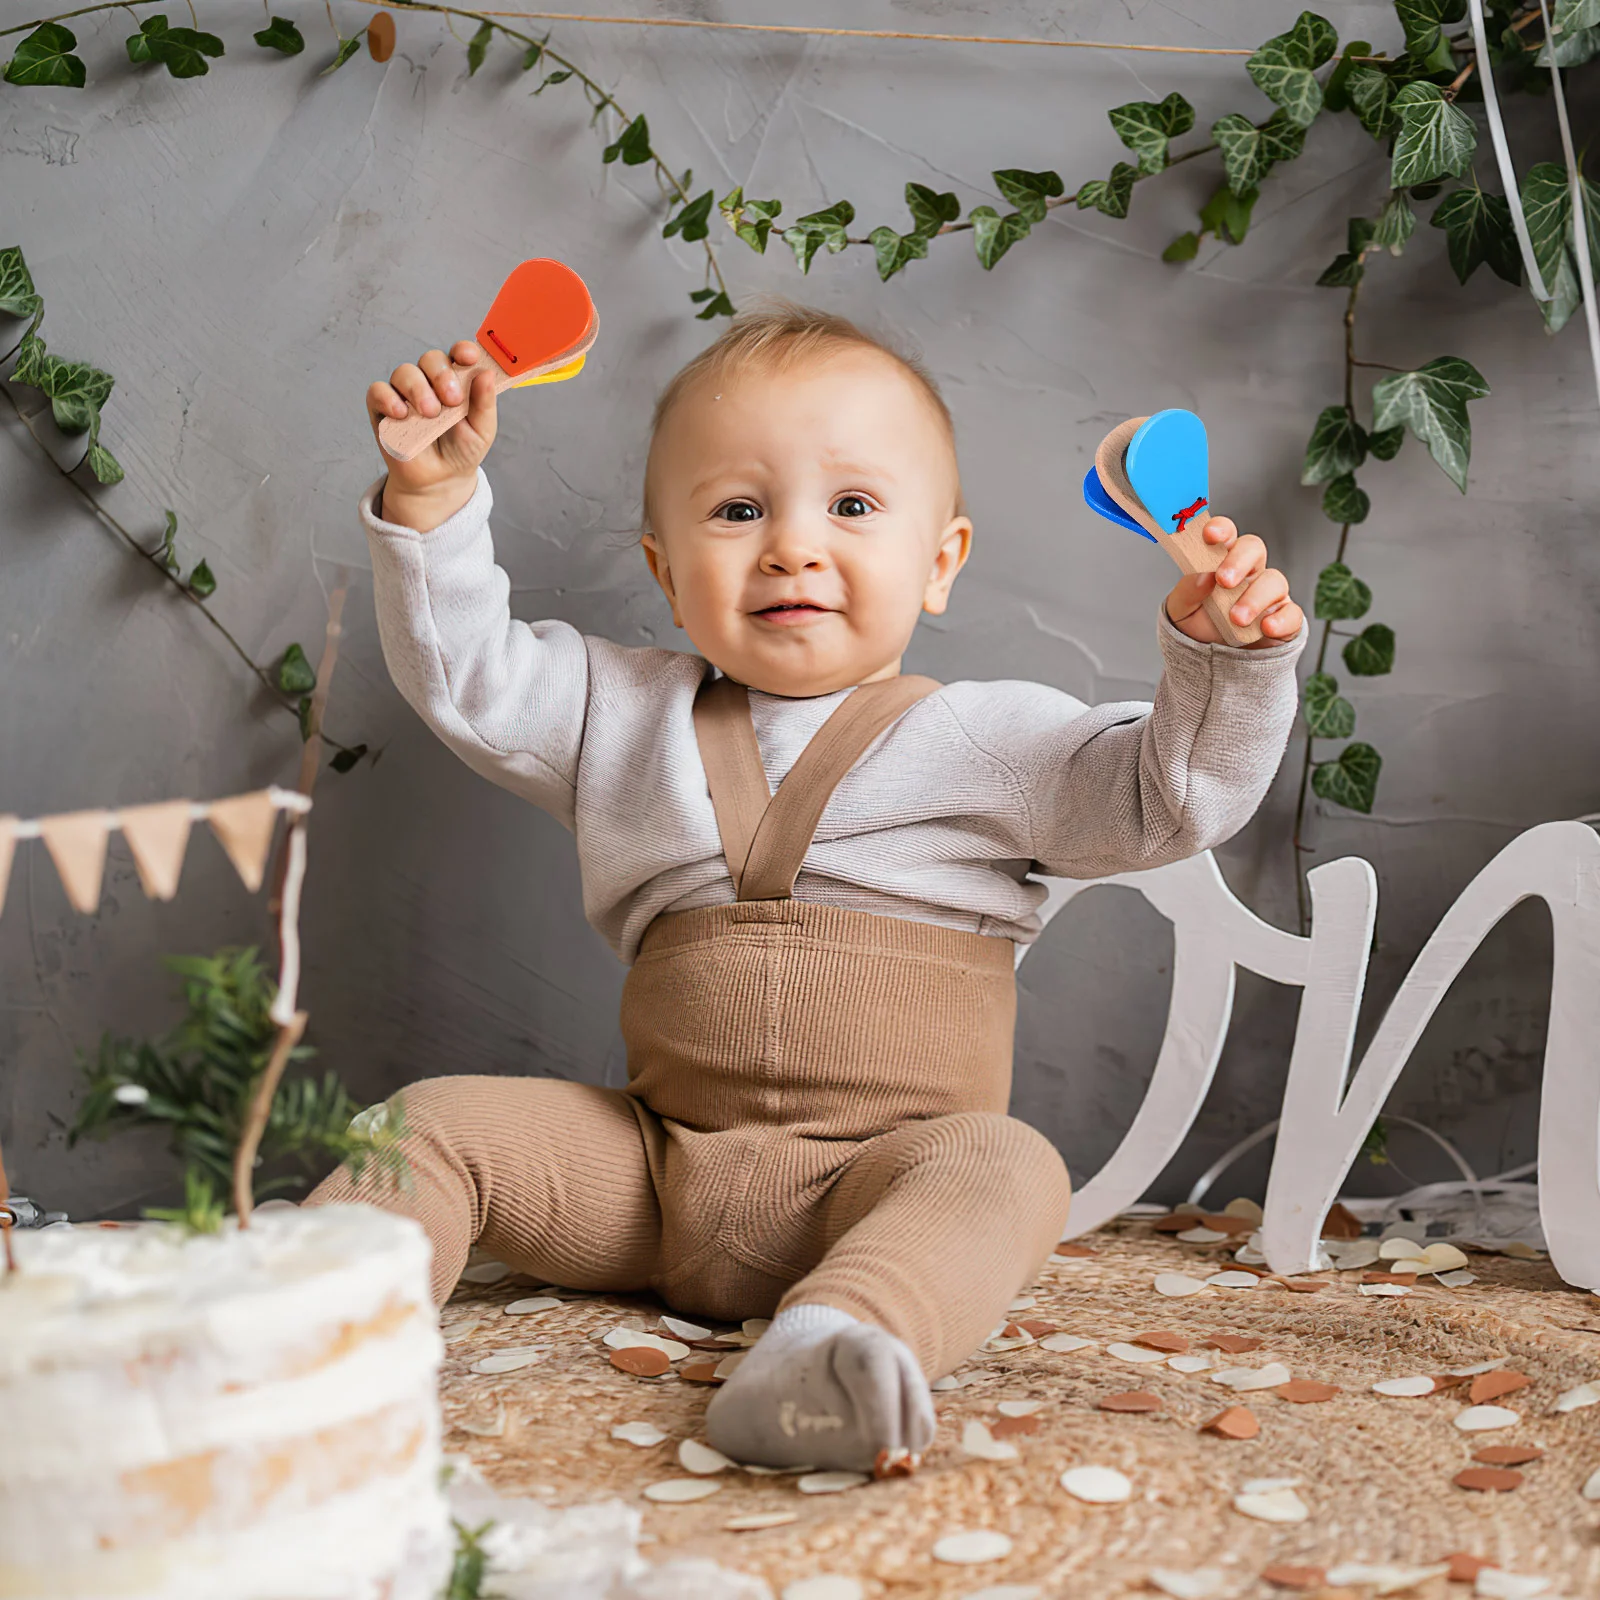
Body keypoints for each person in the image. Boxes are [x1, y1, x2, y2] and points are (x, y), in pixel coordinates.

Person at [310, 301, 1306, 1475]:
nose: (790, 544)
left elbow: (1168, 797)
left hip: (881, 1179)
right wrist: (431, 501)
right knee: (429, 1124)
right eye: (738, 511)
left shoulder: (992, 737)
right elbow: (466, 676)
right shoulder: (611, 712)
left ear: (940, 562)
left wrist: (1224, 660)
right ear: (666, 574)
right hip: (655, 1171)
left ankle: (835, 1344)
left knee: (1008, 1165)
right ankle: (291, 1330)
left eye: (850, 507)